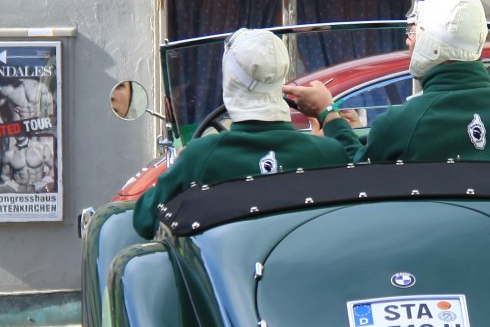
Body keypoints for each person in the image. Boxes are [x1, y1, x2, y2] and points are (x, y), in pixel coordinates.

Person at [287, 0, 490, 169]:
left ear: (430, 43)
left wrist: (328, 114)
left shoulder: (402, 124)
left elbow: (356, 172)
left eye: (413, 32)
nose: (408, 41)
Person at [132, 29, 350, 238]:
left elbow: (144, 219)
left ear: (230, 81)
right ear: (281, 79)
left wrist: (180, 164)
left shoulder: (200, 156)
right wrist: (329, 115)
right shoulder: (328, 152)